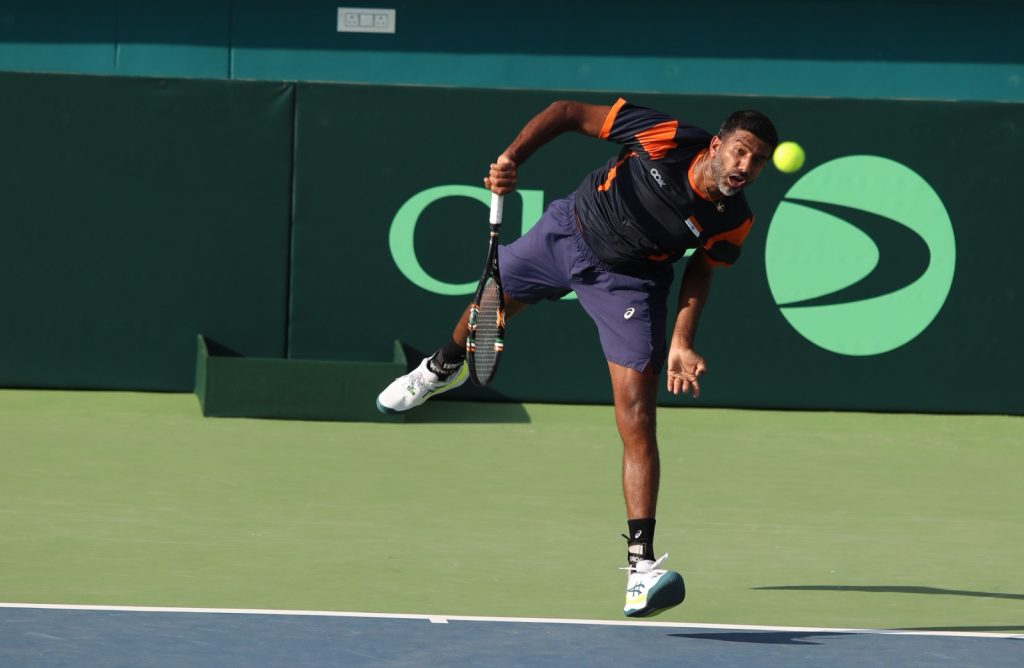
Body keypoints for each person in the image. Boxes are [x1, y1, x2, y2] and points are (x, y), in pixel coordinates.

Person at [377, 97, 778, 617]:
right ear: (718, 145)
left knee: (638, 418)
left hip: (629, 285)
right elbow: (567, 112)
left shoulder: (734, 219)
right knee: (484, 312)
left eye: (759, 161)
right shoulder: (669, 136)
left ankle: (641, 570)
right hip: (567, 231)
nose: (746, 168)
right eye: (741, 152)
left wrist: (681, 339)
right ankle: (443, 367)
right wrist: (512, 157)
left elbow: (701, 271)